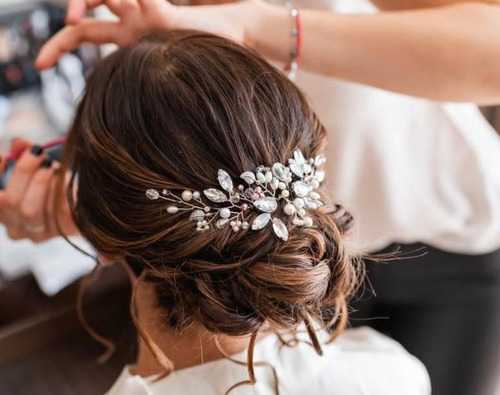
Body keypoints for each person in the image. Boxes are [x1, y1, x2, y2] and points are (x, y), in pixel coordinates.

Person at [28, 1, 500, 394]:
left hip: (434, 238)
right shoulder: (395, 372)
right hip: (299, 251)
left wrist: (262, 26)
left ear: (100, 234)